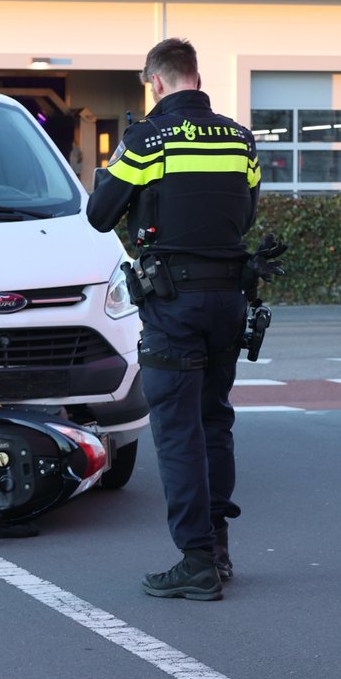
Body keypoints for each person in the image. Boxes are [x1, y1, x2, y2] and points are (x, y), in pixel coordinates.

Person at [87, 38, 261, 601]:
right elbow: (245, 215)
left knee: (179, 430)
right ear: (196, 77)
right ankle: (220, 548)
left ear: (156, 82)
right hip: (229, 300)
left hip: (172, 304)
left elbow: (99, 215)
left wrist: (112, 172)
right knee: (214, 421)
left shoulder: (147, 139)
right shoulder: (240, 139)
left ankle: (196, 561)